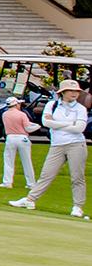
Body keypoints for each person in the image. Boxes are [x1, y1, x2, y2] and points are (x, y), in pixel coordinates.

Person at [10, 80, 88, 218]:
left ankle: (77, 207)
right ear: (63, 92)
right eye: (71, 91)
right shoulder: (52, 105)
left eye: (76, 91)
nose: (74, 93)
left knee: (77, 177)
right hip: (57, 144)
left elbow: (80, 128)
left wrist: (57, 124)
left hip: (76, 144)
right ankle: (30, 200)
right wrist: (69, 123)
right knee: (46, 174)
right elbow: (46, 122)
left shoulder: (80, 109)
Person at [0, 95, 37, 190]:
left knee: (8, 160)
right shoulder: (22, 114)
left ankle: (7, 182)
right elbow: (28, 128)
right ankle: (31, 183)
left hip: (10, 138)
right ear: (16, 104)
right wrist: (37, 126)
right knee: (27, 161)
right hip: (22, 137)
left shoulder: (5, 114)